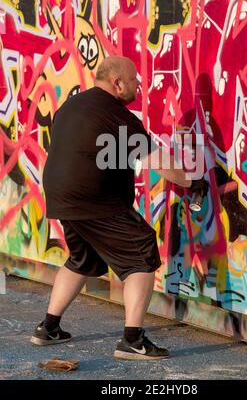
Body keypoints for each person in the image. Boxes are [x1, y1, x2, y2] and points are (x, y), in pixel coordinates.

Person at [30, 56, 208, 360]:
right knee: (141, 252)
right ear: (117, 83)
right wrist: (193, 183)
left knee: (82, 260)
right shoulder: (117, 116)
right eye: (135, 79)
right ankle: (132, 339)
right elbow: (158, 162)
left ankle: (48, 328)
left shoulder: (71, 105)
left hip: (61, 197)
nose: (139, 84)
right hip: (93, 200)